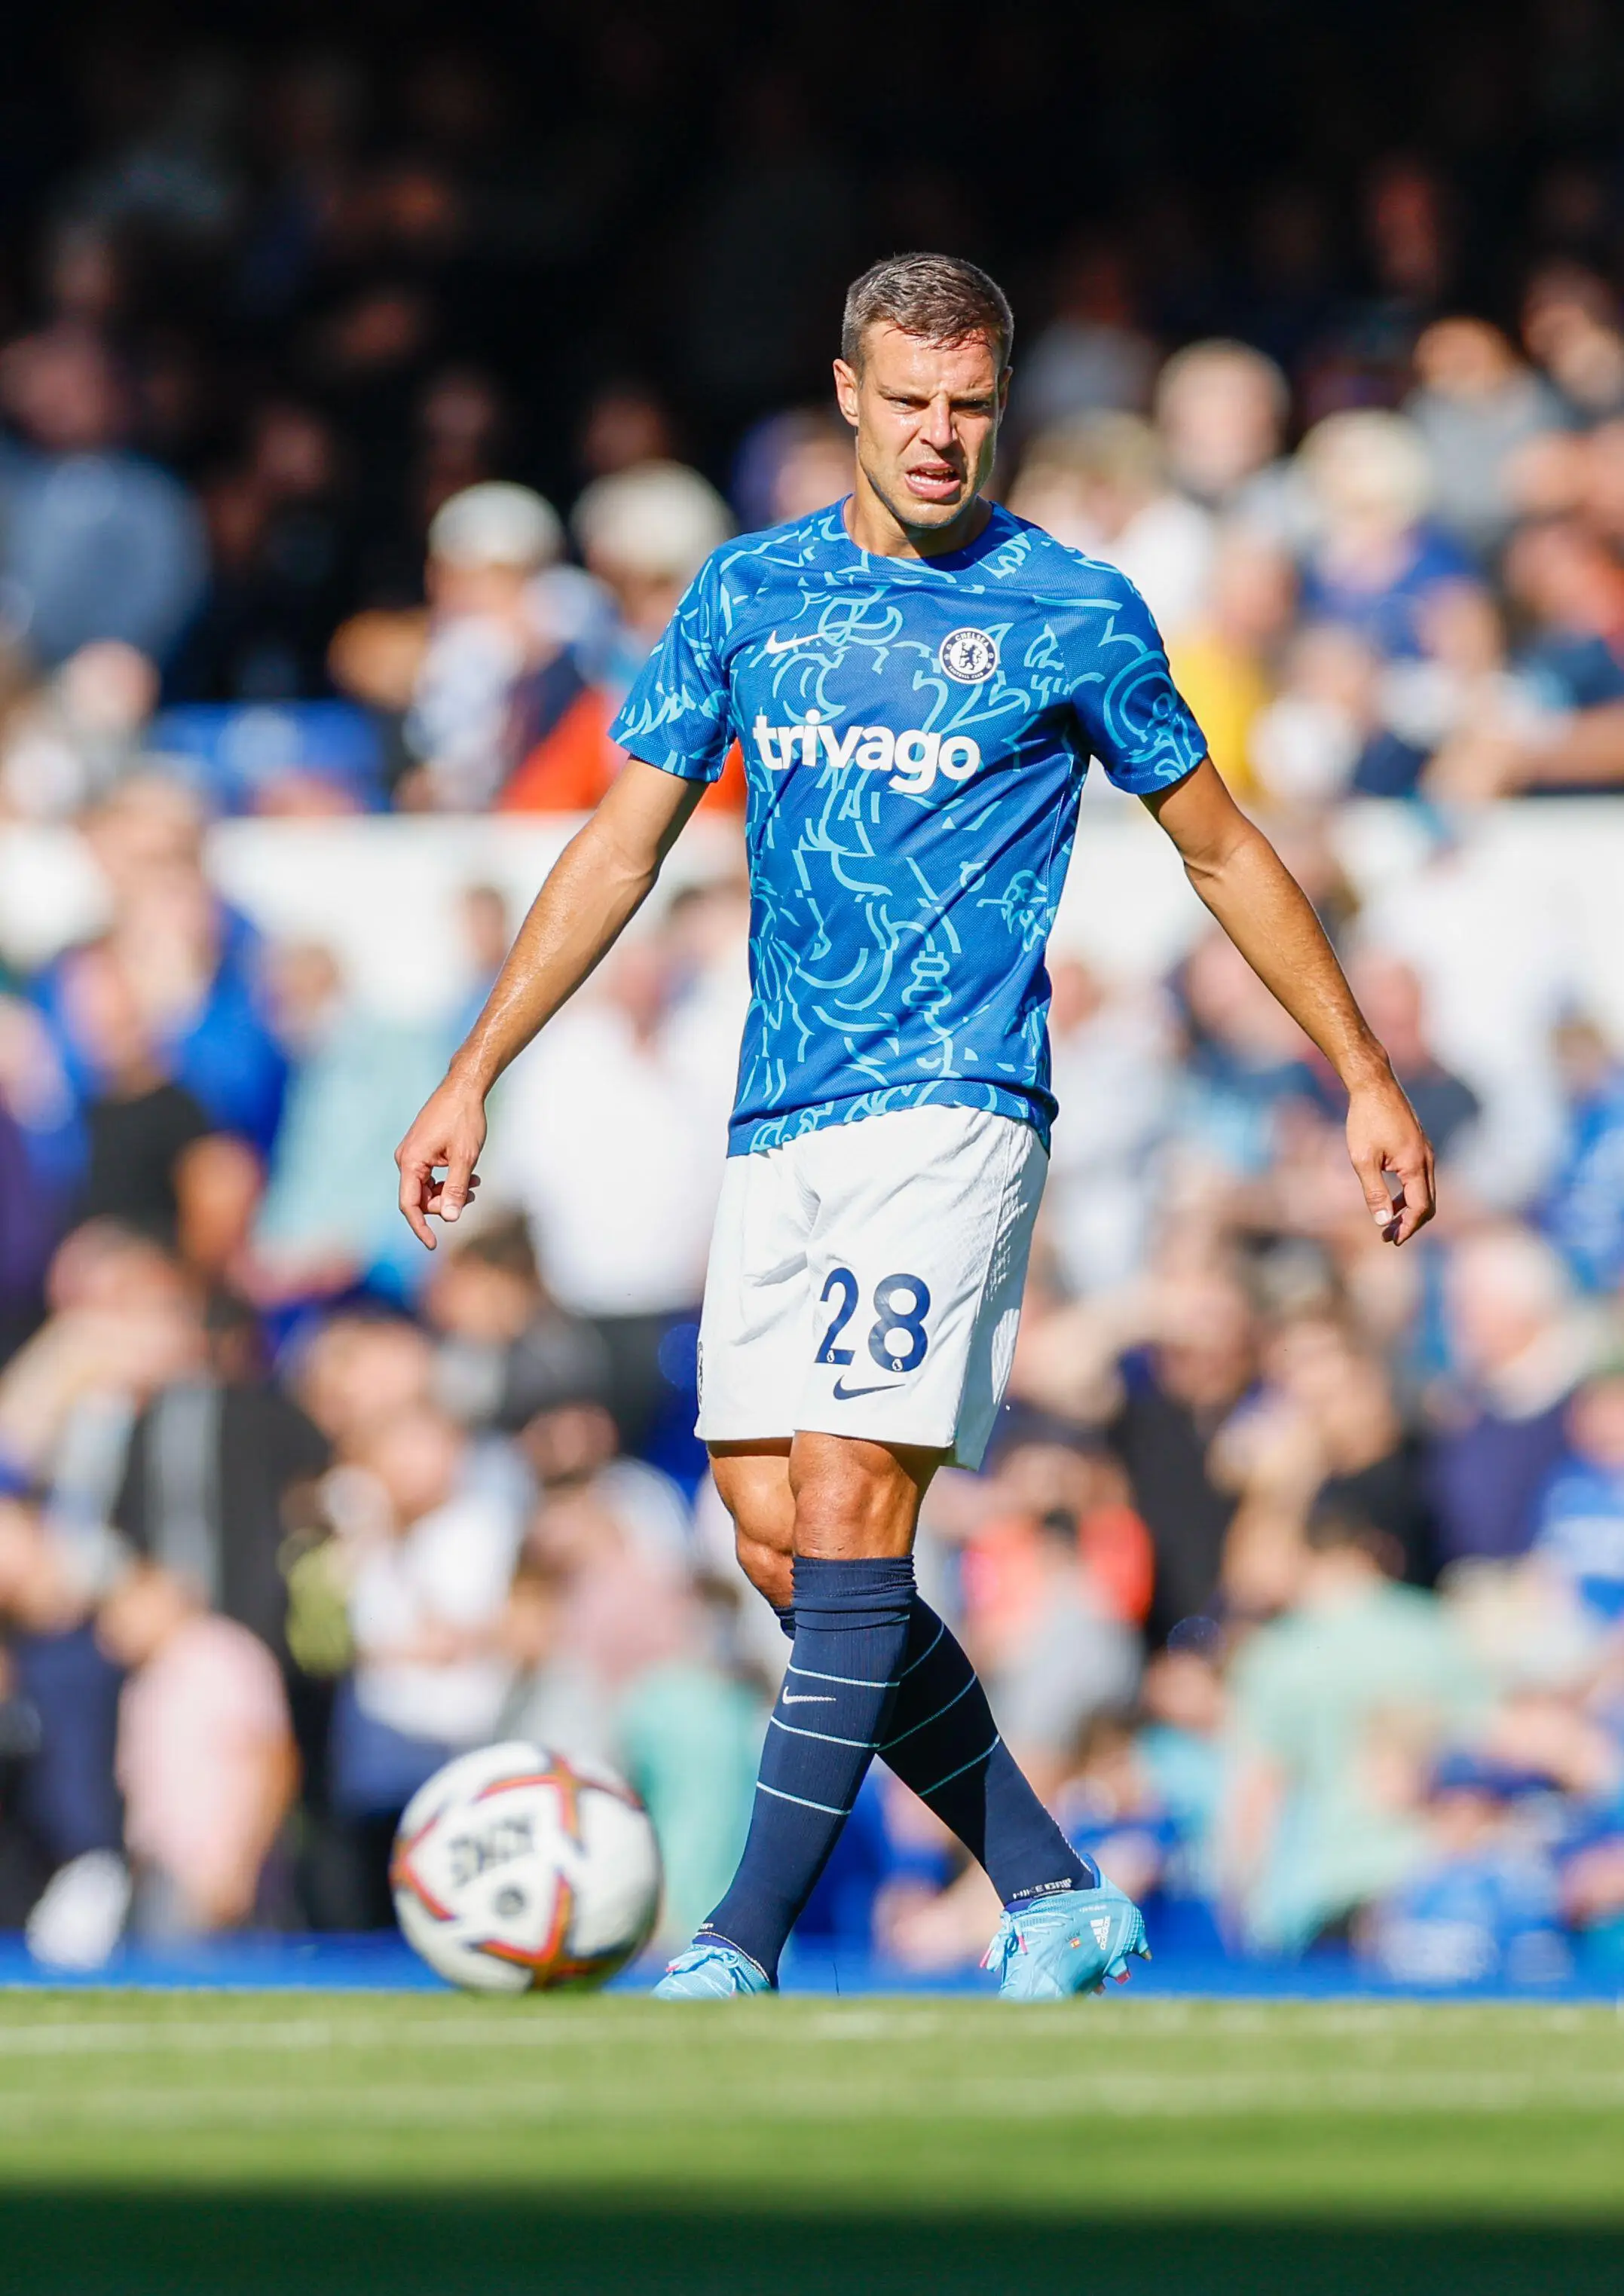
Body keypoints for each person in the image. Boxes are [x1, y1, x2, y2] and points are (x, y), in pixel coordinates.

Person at [396, 252, 1435, 2004]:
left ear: (996, 407)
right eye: (913, 403)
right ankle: (1052, 1885)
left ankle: (736, 1940)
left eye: (973, 406)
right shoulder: (747, 594)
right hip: (778, 1110)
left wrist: (1360, 1070)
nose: (943, 437)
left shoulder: (1074, 608)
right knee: (774, 1531)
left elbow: (1224, 846)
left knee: (854, 1499)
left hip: (957, 1102)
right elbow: (617, 845)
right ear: (850, 397)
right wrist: (476, 1061)